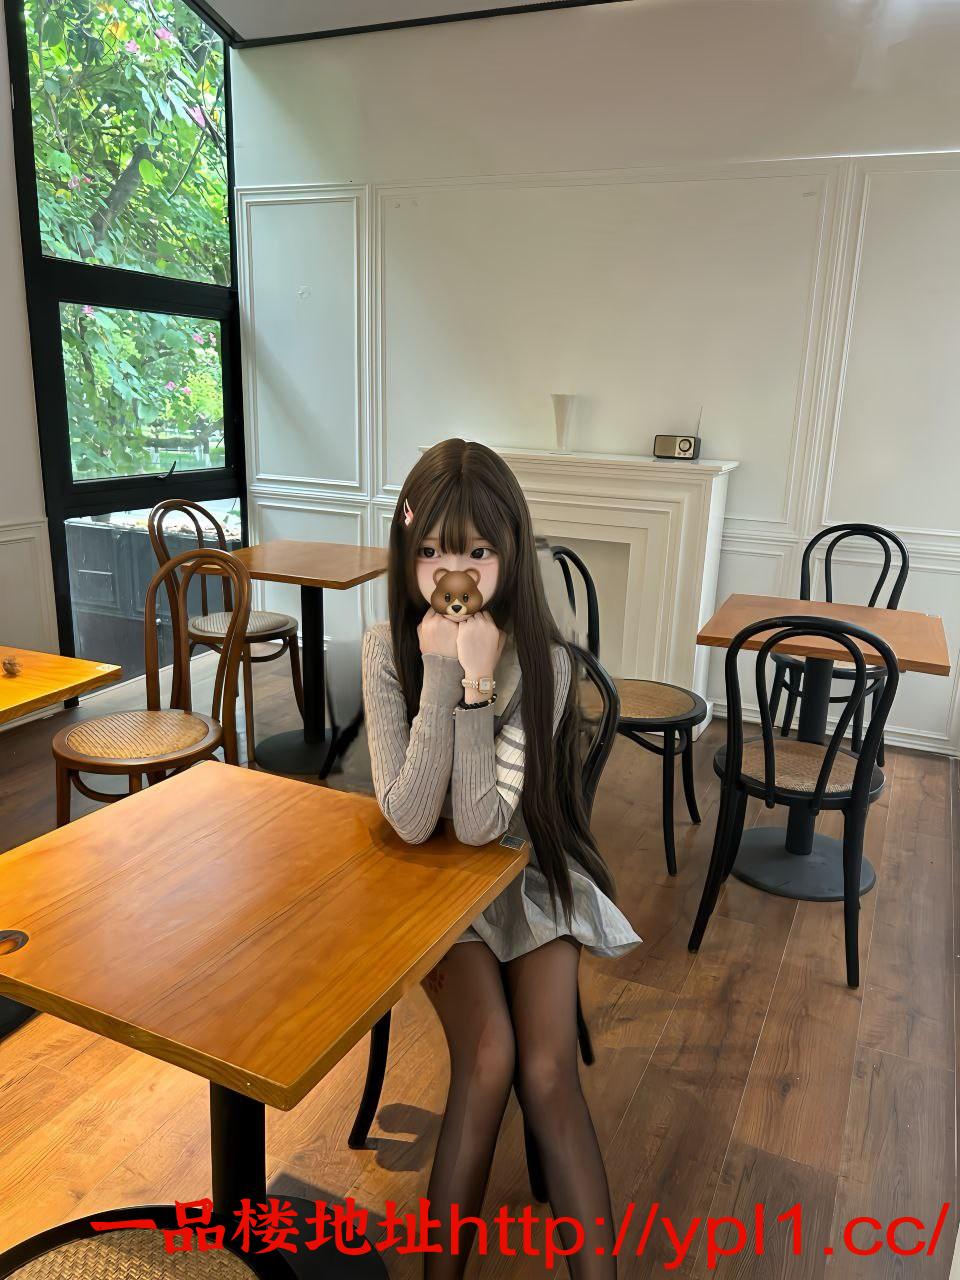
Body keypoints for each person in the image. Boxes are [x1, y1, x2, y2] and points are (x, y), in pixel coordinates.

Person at [361, 438, 642, 1278]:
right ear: (408, 552)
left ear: (511, 549)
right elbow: (415, 820)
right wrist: (440, 674)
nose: (456, 575)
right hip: (431, 889)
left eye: (478, 551)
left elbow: (484, 823)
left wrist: (477, 684)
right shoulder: (385, 651)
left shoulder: (543, 663)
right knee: (488, 1060)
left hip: (522, 873)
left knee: (548, 1068)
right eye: (433, 550)